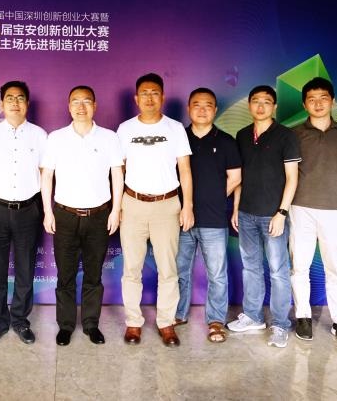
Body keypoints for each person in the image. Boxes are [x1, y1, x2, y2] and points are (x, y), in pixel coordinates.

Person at [40, 85, 124, 346]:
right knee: (65, 275)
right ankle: (65, 325)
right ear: (68, 107)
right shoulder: (56, 138)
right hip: (64, 215)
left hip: (99, 215)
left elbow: (117, 175)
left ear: (94, 106)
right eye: (75, 101)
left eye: (86, 101)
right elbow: (47, 176)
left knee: (93, 274)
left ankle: (90, 324)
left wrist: (116, 210)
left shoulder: (109, 137)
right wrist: (47, 212)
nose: (81, 106)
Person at [116, 73, 194, 347]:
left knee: (168, 269)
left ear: (162, 97)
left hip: (167, 205)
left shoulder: (175, 128)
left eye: (154, 93)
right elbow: (118, 170)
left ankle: (166, 322)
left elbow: (185, 169)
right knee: (131, 268)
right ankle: (133, 322)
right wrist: (118, 206)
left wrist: (187, 205)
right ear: (136, 99)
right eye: (144, 93)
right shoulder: (125, 129)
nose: (149, 98)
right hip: (133, 204)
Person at [0, 81, 46, 345]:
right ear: (1, 103)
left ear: (28, 103)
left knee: (25, 268)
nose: (15, 102)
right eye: (10, 98)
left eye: (21, 97)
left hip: (28, 210)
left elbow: (44, 173)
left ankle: (20, 320)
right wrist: (2, 191)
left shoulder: (40, 135)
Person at [290, 77, 337, 346]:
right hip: (300, 207)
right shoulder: (294, 133)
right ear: (304, 104)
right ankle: (303, 316)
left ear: (332, 101)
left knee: (336, 267)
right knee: (300, 265)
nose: (318, 103)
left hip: (334, 209)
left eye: (323, 98)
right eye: (312, 99)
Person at [229, 85, 300, 348]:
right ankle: (253, 316)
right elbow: (240, 177)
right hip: (246, 214)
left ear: (275, 106)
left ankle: (280, 324)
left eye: (267, 102)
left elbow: (292, 178)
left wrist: (281, 213)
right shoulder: (242, 135)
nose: (261, 106)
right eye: (256, 101)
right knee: (251, 268)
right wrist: (236, 208)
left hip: (273, 215)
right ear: (249, 105)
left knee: (278, 271)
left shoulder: (286, 136)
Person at [175, 88, 241, 343]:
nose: (202, 110)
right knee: (179, 271)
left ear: (215, 109)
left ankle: (215, 320)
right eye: (196, 105)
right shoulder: (178, 139)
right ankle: (178, 314)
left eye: (208, 105)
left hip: (214, 220)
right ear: (188, 108)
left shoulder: (226, 141)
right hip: (180, 219)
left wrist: (214, 196)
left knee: (217, 274)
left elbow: (235, 177)